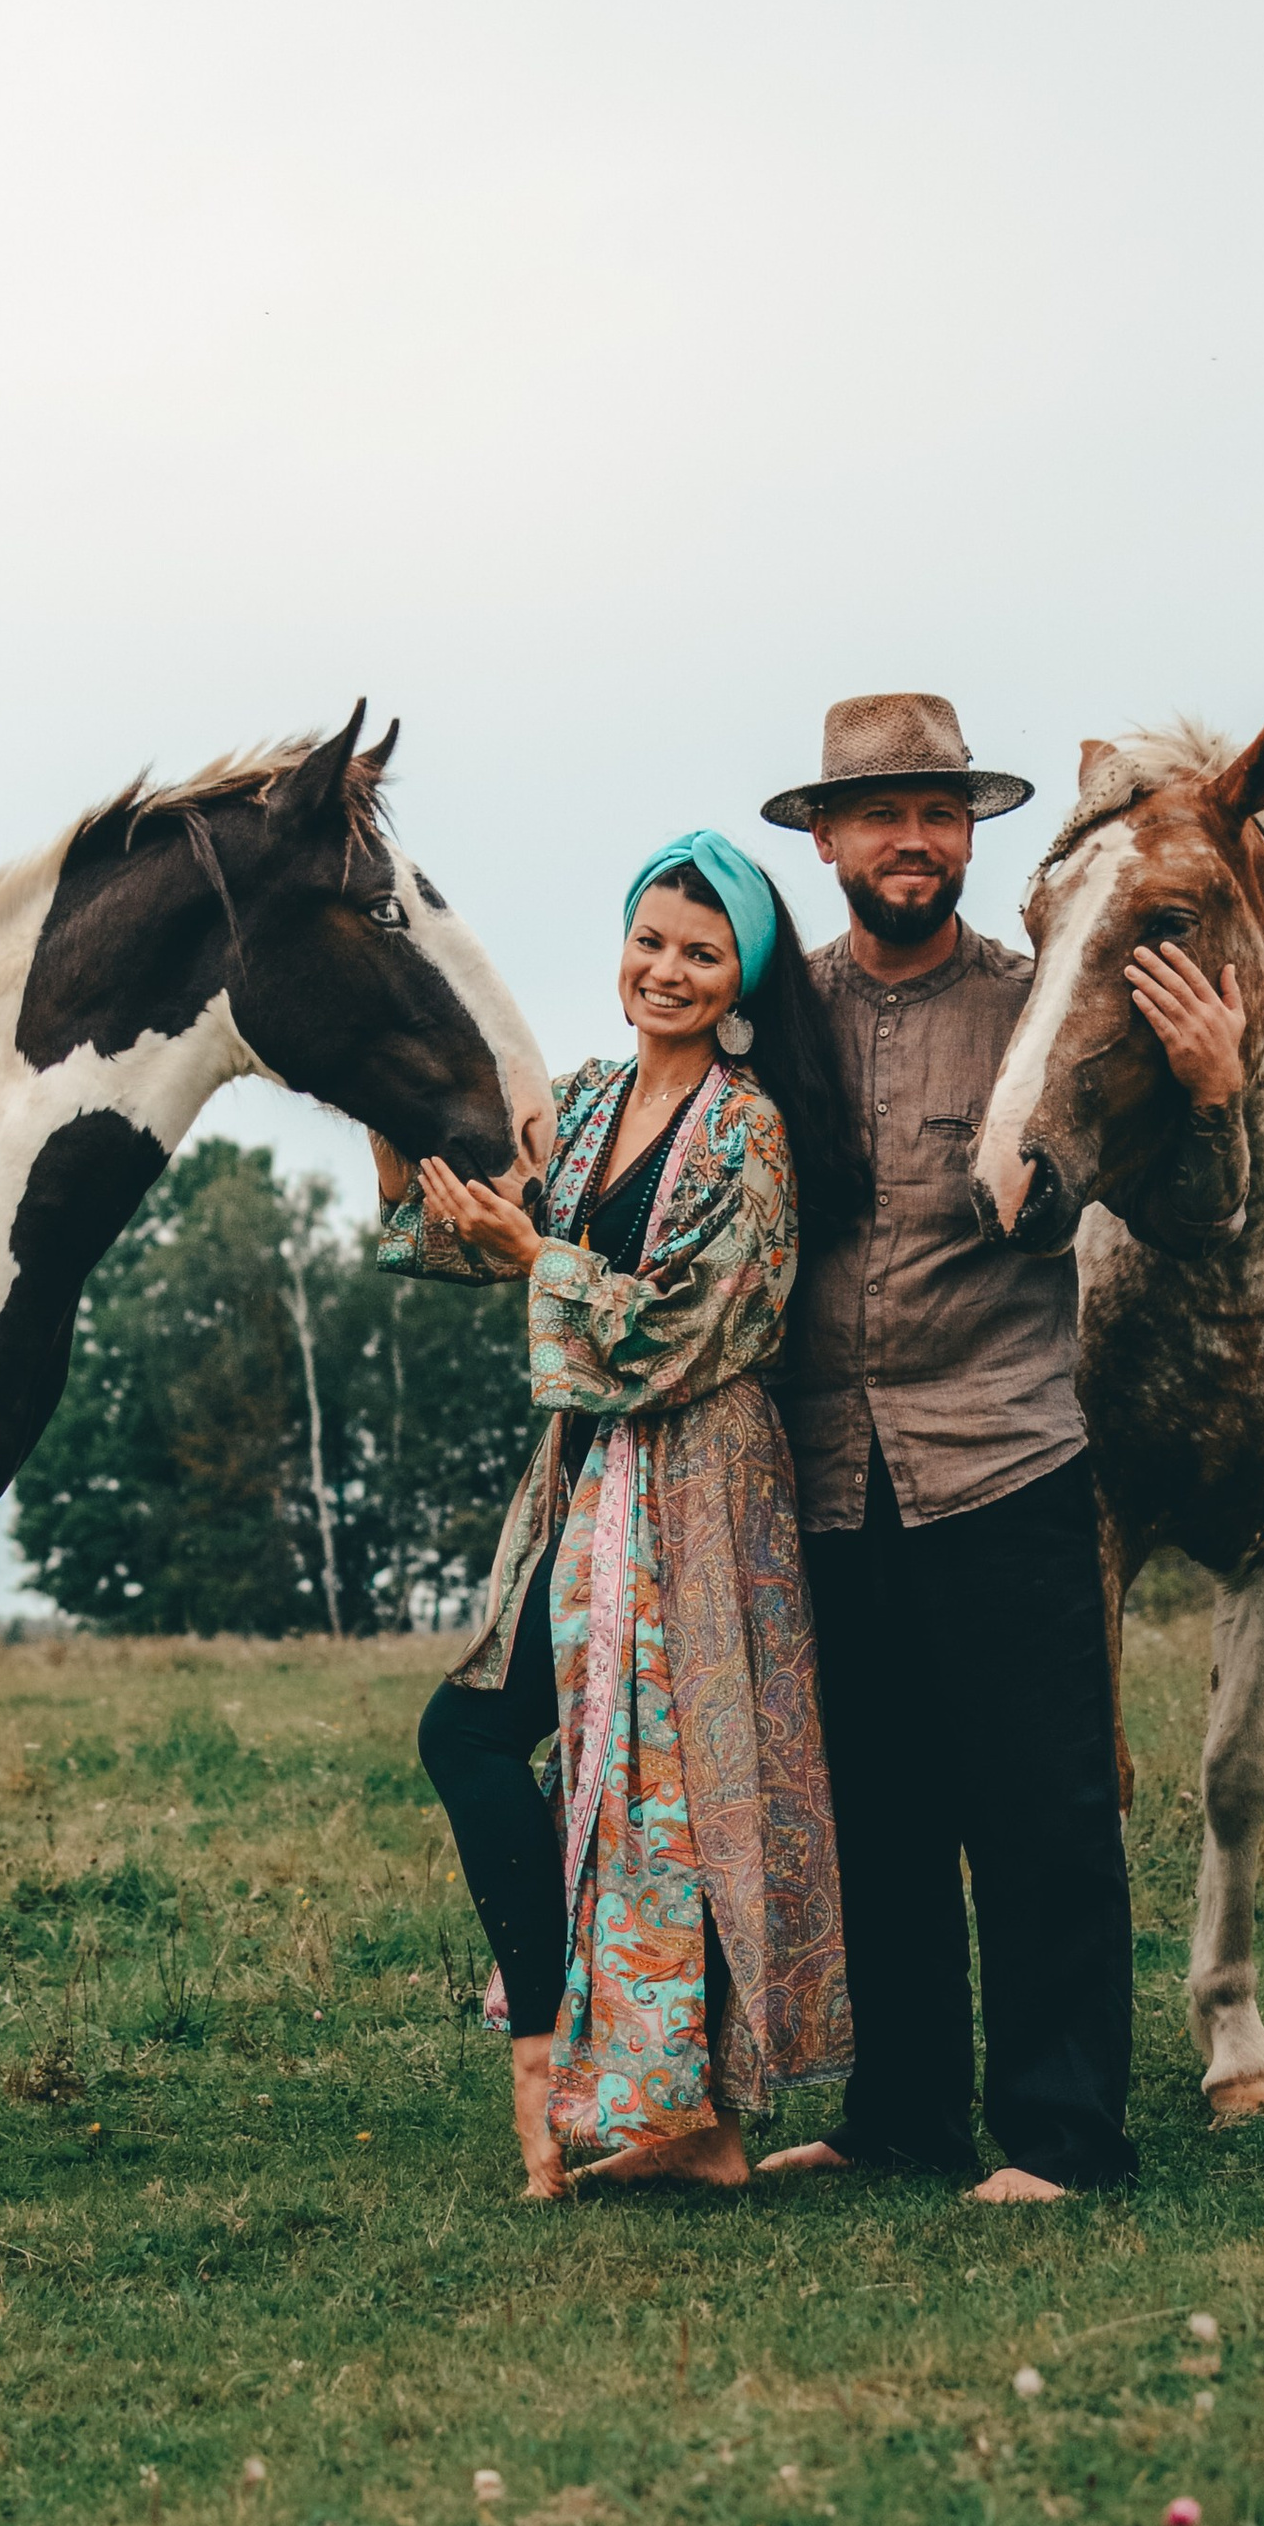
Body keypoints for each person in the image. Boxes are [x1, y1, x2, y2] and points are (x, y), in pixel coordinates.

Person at [751, 692, 1250, 2202]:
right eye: (884, 813)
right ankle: (900, 2112)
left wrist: (1215, 1091)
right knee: (878, 1820)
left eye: (943, 812)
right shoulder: (780, 1020)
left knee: (1042, 1817)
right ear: (827, 838)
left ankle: (1064, 2132)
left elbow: (1198, 1220)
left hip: (1007, 1463)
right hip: (827, 1479)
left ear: (973, 837)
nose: (916, 839)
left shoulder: (1050, 1008)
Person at [378, 832, 861, 2198]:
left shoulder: (751, 1134)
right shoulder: (587, 1107)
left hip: (700, 1486)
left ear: (744, 980)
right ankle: (599, 2073)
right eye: (652, 940)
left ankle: (660, 2107)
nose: (667, 969)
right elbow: (474, 1223)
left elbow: (685, 1331)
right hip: (589, 1485)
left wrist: (541, 1261)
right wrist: (389, 1120)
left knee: (677, 1795)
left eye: (701, 953)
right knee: (500, 1743)